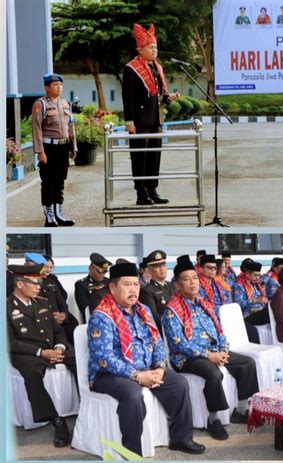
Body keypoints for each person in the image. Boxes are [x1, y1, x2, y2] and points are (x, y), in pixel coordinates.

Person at [87, 262, 204, 456]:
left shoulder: (143, 310)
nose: (133, 289)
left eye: (135, 284)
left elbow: (157, 341)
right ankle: (132, 453)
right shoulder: (102, 316)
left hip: (146, 368)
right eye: (127, 285)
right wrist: (136, 376)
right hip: (108, 375)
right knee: (132, 394)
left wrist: (158, 367)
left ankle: (181, 438)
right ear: (113, 287)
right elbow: (103, 358)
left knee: (179, 383)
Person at [162, 256, 259, 440]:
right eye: (186, 279)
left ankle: (241, 409)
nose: (192, 282)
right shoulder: (171, 310)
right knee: (214, 373)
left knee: (247, 363)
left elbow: (220, 332)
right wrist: (209, 355)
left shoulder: (204, 304)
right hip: (186, 358)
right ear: (177, 286)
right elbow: (179, 343)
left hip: (213, 351)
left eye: (195, 278)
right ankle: (214, 419)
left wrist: (222, 350)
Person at [7, 264, 76, 447]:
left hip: (52, 349)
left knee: (80, 361)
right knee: (32, 374)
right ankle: (57, 421)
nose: (39, 286)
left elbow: (58, 330)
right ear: (20, 284)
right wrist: (40, 353)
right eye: (35, 282)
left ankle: (88, 405)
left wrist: (60, 348)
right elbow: (10, 342)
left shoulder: (42, 303)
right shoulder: (6, 307)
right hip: (27, 353)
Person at [122, 24, 180, 206]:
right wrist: (129, 120)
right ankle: (141, 193)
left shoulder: (156, 67)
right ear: (141, 49)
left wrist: (167, 98)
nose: (155, 51)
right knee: (140, 156)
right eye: (151, 47)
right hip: (139, 121)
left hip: (156, 119)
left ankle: (152, 189)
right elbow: (127, 97)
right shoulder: (131, 69)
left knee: (155, 155)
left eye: (156, 47)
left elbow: (156, 95)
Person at [32, 73, 76, 227]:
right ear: (47, 87)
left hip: (63, 147)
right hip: (48, 148)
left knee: (60, 181)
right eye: (56, 85)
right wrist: (40, 152)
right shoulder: (40, 104)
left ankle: (59, 213)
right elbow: (36, 129)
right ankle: (49, 215)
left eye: (60, 85)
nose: (59, 87)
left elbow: (71, 126)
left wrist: (73, 147)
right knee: (48, 182)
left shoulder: (65, 103)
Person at [139, 250, 175, 331]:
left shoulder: (172, 286)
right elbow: (154, 317)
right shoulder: (146, 291)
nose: (162, 269)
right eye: (157, 266)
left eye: (163, 265)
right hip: (164, 331)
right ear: (149, 270)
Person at [74, 253, 112, 323]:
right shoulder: (81, 284)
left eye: (105, 271)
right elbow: (85, 309)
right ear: (90, 268)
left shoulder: (109, 282)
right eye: (99, 271)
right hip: (94, 320)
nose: (102, 274)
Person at [232, 260, 270, 325]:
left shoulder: (256, 284)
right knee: (268, 313)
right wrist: (255, 300)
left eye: (259, 275)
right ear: (247, 274)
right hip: (247, 315)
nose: (258, 278)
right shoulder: (239, 285)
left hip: (259, 312)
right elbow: (238, 304)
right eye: (255, 275)